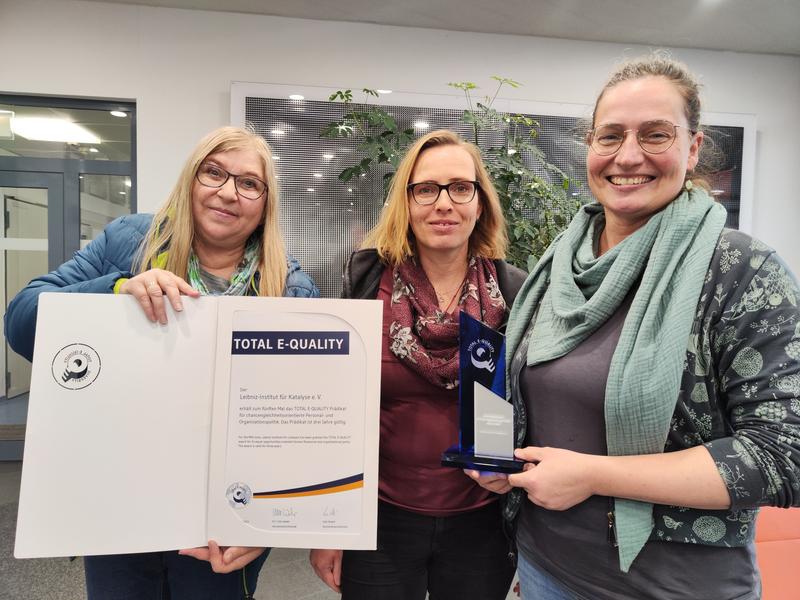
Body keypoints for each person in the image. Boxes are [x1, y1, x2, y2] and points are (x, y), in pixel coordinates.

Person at [468, 54, 800, 599]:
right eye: (610, 136)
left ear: (693, 148)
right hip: (543, 568)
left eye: (655, 135)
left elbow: (782, 456)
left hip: (673, 586)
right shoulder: (559, 266)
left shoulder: (739, 270)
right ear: (589, 149)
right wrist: (507, 462)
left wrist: (594, 475)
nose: (628, 156)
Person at [5, 126, 319, 600]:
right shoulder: (130, 241)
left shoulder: (289, 285)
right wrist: (115, 290)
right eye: (214, 172)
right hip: (121, 497)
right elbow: (23, 320)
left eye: (249, 183)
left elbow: (300, 425)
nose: (228, 193)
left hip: (223, 518)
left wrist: (265, 527)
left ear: (265, 202)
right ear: (191, 179)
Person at [310, 130, 525, 599]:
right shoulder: (367, 284)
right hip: (381, 520)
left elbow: (534, 409)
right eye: (426, 189)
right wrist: (330, 525)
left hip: (483, 522)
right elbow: (336, 411)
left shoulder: (515, 294)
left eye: (460, 188)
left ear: (480, 203)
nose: (443, 203)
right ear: (406, 203)